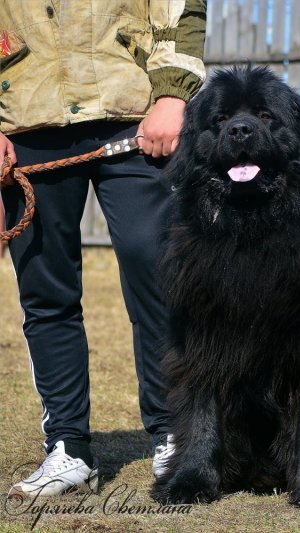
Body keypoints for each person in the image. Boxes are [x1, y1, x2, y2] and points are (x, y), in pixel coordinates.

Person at [0, 1, 206, 497]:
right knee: (45, 290)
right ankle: (68, 446)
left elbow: (182, 8)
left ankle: (173, 431)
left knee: (156, 267)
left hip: (133, 114)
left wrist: (174, 96)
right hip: (25, 116)